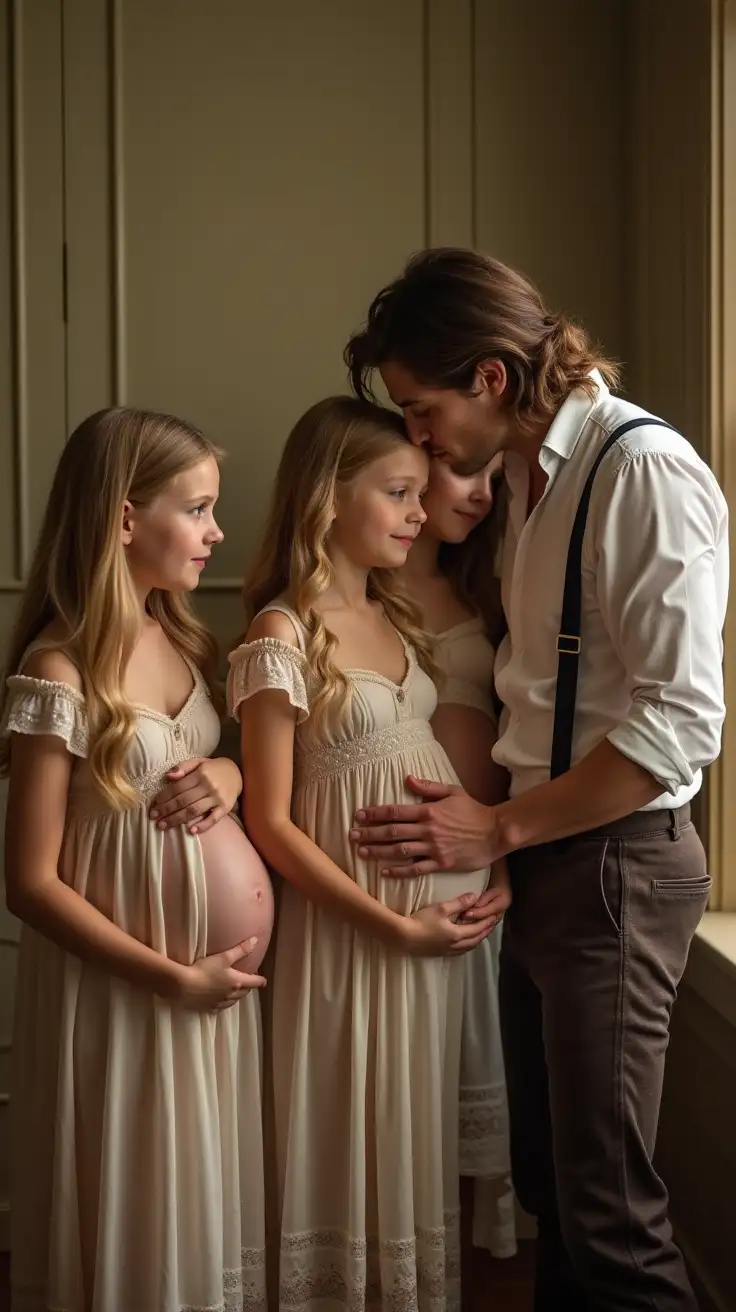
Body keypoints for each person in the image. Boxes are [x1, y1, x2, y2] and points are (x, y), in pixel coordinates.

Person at [344, 248, 729, 1311]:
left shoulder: (638, 469)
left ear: (492, 379)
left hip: (615, 870)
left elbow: (678, 725)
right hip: (554, 865)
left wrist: (501, 830)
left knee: (609, 1218)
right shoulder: (521, 482)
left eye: (422, 408)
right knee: (557, 1193)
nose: (416, 435)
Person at [227, 395, 508, 1312]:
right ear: (327, 498)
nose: (422, 513)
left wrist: (486, 872)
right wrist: (394, 924)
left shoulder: (395, 616)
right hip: (352, 934)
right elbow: (271, 821)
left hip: (428, 939)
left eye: (421, 493)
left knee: (409, 1143)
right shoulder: (282, 633)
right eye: (398, 493)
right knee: (346, 1131)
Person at [2, 408, 269, 1312]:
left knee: (190, 1207)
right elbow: (29, 884)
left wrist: (230, 769)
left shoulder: (190, 643)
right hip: (125, 990)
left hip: (202, 996)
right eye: (197, 510)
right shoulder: (61, 671)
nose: (216, 532)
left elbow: (227, 767)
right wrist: (169, 979)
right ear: (123, 519)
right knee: (132, 1207)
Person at [398, 453, 517, 1280]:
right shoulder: (342, 604)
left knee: (465, 1101)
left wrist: (505, 857)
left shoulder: (493, 595)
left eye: (495, 481)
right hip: (389, 891)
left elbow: (521, 749)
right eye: (465, 474)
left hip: (484, 881)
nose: (482, 495)